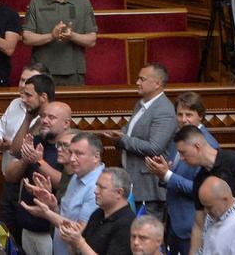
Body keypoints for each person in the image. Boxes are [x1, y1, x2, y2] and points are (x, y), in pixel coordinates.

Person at [173, 125, 235, 255]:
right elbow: (199, 224)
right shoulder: (200, 179)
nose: (181, 158)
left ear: (197, 147)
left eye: (183, 152)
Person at [144, 92, 220, 253]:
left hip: (192, 226)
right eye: (179, 114)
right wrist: (164, 172)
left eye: (189, 115)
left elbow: (201, 190)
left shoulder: (208, 145)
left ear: (200, 116)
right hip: (174, 221)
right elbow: (175, 174)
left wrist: (168, 175)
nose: (183, 119)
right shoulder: (179, 138)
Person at [101, 63, 176, 219]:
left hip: (148, 191)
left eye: (142, 79)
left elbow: (155, 147)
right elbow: (130, 131)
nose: (137, 83)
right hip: (134, 185)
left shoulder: (164, 110)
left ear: (157, 83)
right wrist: (119, 135)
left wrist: (122, 140)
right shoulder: (141, 104)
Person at [0, 62, 47, 244]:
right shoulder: (15, 104)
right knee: (8, 235)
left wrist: (11, 145)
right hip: (9, 180)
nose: (23, 85)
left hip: (31, 184)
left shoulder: (47, 115)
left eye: (29, 81)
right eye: (22, 80)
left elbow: (20, 149)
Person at [6, 98, 70, 255]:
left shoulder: (71, 148)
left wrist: (39, 161)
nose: (45, 121)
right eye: (43, 116)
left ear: (66, 124)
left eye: (52, 118)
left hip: (51, 232)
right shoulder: (35, 141)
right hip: (27, 227)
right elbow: (10, 176)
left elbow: (64, 183)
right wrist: (24, 161)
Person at [21, 0, 97, 86]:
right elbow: (26, 38)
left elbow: (92, 40)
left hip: (74, 73)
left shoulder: (83, 3)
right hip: (42, 73)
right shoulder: (36, 2)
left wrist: (71, 35)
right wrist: (52, 36)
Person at [58, 168, 135, 255]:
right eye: (96, 185)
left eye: (102, 188)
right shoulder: (98, 213)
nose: (95, 191)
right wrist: (72, 240)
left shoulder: (127, 224)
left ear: (119, 193)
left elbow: (82, 245)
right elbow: (77, 252)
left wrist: (80, 243)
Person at [196, 176, 235, 255]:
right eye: (204, 206)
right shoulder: (214, 216)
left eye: (209, 207)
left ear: (225, 199)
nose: (206, 211)